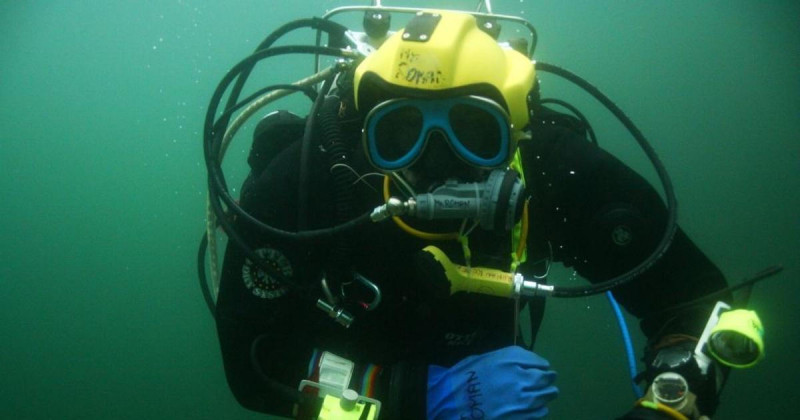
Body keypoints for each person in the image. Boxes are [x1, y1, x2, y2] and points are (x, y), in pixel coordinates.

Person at [208, 7, 737, 420]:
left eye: (474, 129)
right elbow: (253, 363)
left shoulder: (551, 169)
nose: (436, 161)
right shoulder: (313, 178)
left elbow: (694, 300)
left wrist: (671, 401)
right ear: (366, 135)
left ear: (516, 132)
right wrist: (415, 396)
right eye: (400, 131)